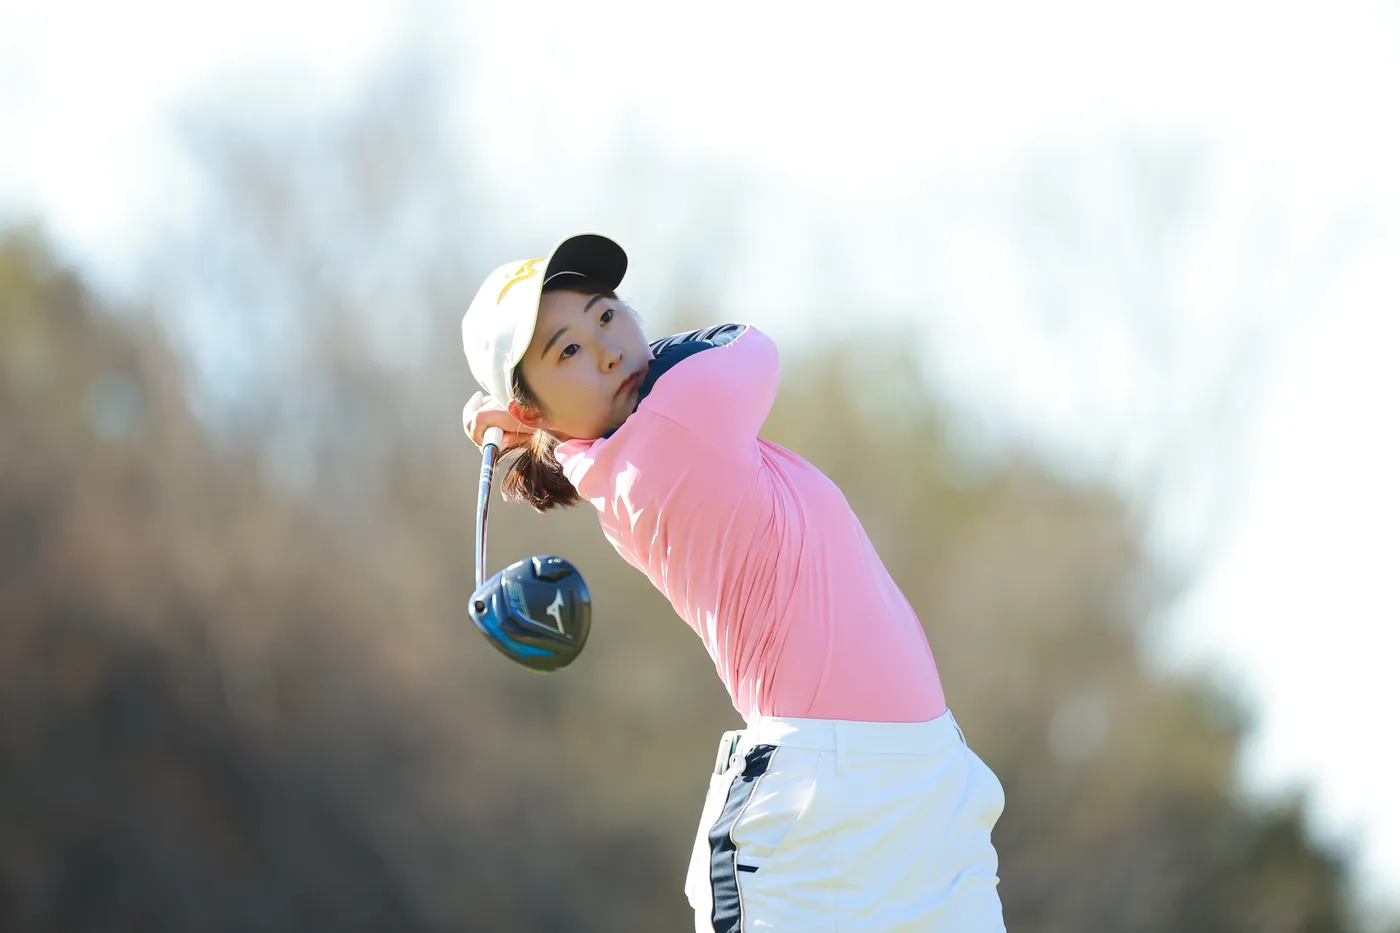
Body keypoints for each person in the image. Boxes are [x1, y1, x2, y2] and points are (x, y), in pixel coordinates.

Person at [461, 232, 1007, 932]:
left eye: (607, 315)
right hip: (816, 808)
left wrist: (540, 421)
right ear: (530, 411)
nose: (609, 350)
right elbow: (748, 346)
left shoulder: (630, 448)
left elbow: (599, 422)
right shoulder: (673, 425)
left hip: (927, 787)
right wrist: (539, 423)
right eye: (568, 351)